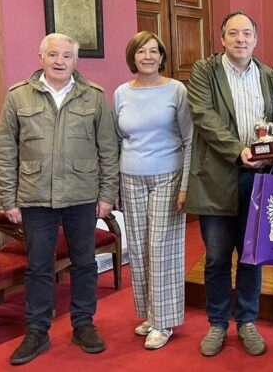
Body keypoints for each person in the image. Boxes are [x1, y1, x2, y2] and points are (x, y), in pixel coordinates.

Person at [0, 33, 119, 365]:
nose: (60, 60)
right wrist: (8, 198)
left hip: (82, 195)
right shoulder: (18, 97)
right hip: (35, 197)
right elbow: (5, 152)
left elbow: (108, 150)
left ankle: (83, 324)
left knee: (85, 264)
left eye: (67, 55)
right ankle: (36, 330)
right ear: (41, 57)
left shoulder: (93, 97)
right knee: (38, 267)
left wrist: (107, 195)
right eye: (53, 54)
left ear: (76, 61)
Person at [185, 11, 273, 357]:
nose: (240, 39)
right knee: (215, 257)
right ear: (222, 38)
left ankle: (246, 320)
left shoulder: (270, 74)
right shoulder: (204, 71)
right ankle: (217, 323)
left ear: (256, 39)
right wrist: (238, 151)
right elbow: (203, 116)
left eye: (247, 33)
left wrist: (270, 147)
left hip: (258, 179)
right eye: (233, 33)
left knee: (251, 256)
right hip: (217, 176)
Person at [113, 31, 193, 350]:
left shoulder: (177, 90)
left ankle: (164, 321)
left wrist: (185, 186)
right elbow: (120, 137)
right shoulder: (121, 93)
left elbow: (189, 140)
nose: (148, 56)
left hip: (168, 175)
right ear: (132, 57)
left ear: (162, 56)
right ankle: (150, 313)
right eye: (141, 51)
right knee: (141, 247)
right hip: (131, 176)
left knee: (162, 247)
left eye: (154, 51)